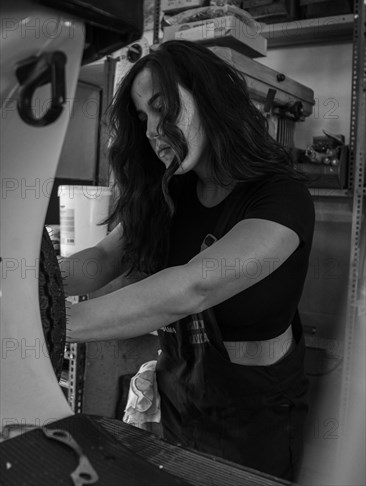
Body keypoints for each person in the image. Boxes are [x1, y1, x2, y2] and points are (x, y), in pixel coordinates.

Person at [62, 40, 315, 481]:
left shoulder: (281, 198)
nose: (151, 131)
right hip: (179, 394)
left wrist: (54, 322)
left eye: (163, 108)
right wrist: (32, 278)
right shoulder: (170, 193)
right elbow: (102, 258)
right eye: (142, 118)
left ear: (211, 99)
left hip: (255, 416)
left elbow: (193, 286)